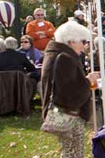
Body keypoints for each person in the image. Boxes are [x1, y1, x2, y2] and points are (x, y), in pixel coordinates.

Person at [40, 21, 99, 158]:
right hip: (69, 114)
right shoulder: (65, 58)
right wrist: (88, 81)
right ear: (71, 41)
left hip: (63, 112)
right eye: (83, 42)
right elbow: (70, 94)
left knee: (69, 151)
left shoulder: (54, 54)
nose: (85, 46)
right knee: (73, 152)